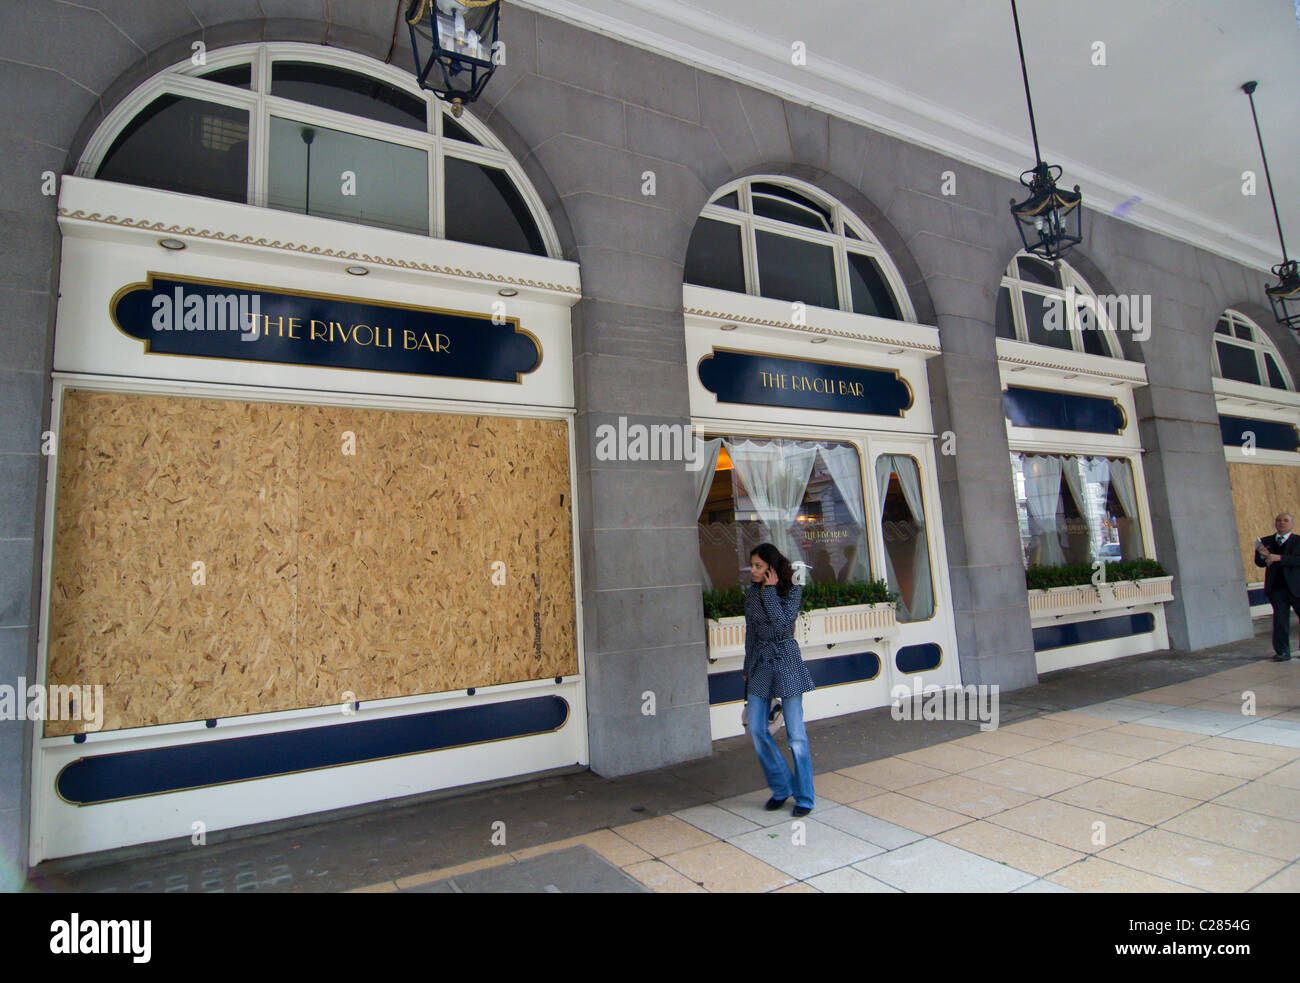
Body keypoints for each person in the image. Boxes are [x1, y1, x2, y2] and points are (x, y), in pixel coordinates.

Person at [742, 542, 817, 816]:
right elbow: (751, 631)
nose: (752, 570)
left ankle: (805, 797)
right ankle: (782, 787)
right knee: (757, 728)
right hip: (760, 662)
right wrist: (747, 666)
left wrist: (771, 592)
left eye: (758, 566)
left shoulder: (792, 590)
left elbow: (784, 625)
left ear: (771, 569)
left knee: (796, 735)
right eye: (752, 565)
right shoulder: (750, 594)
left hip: (785, 660)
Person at [1256, 512, 1300, 662]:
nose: (1282, 523)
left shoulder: (1298, 541)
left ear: (1292, 524)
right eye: (1279, 520)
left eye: (1286, 520)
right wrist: (1264, 557)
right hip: (1277, 588)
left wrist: (1280, 558)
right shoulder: (1265, 541)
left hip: (1297, 587)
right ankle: (1282, 651)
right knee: (1280, 620)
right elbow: (1259, 563)